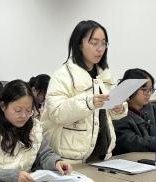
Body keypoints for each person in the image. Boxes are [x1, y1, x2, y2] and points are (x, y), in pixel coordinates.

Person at [42, 19, 126, 162]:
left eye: (104, 43)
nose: (100, 48)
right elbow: (56, 113)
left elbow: (105, 114)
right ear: (79, 44)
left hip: (103, 155)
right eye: (94, 43)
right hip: (72, 159)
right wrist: (88, 103)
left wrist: (117, 108)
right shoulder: (63, 75)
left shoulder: (104, 74)